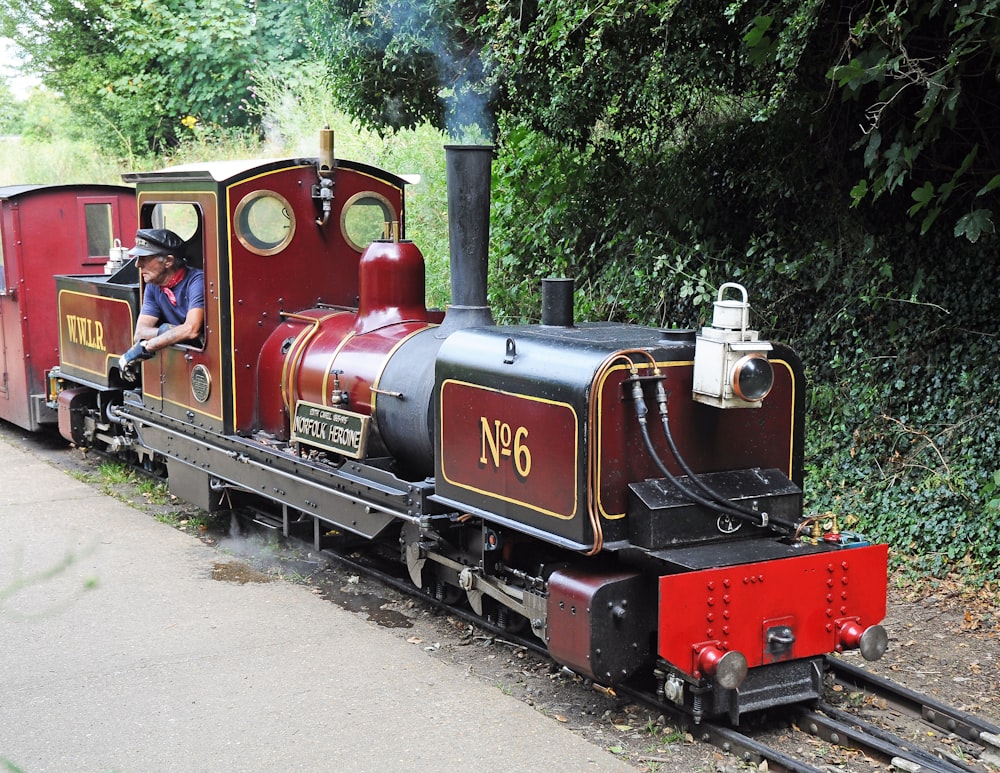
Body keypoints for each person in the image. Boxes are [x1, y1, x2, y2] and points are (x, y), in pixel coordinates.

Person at [118, 228, 205, 379]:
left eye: (144, 258)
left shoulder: (197, 281)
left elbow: (191, 329)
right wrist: (165, 331)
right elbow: (140, 333)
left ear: (168, 261)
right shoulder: (153, 285)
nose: (137, 265)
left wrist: (147, 346)